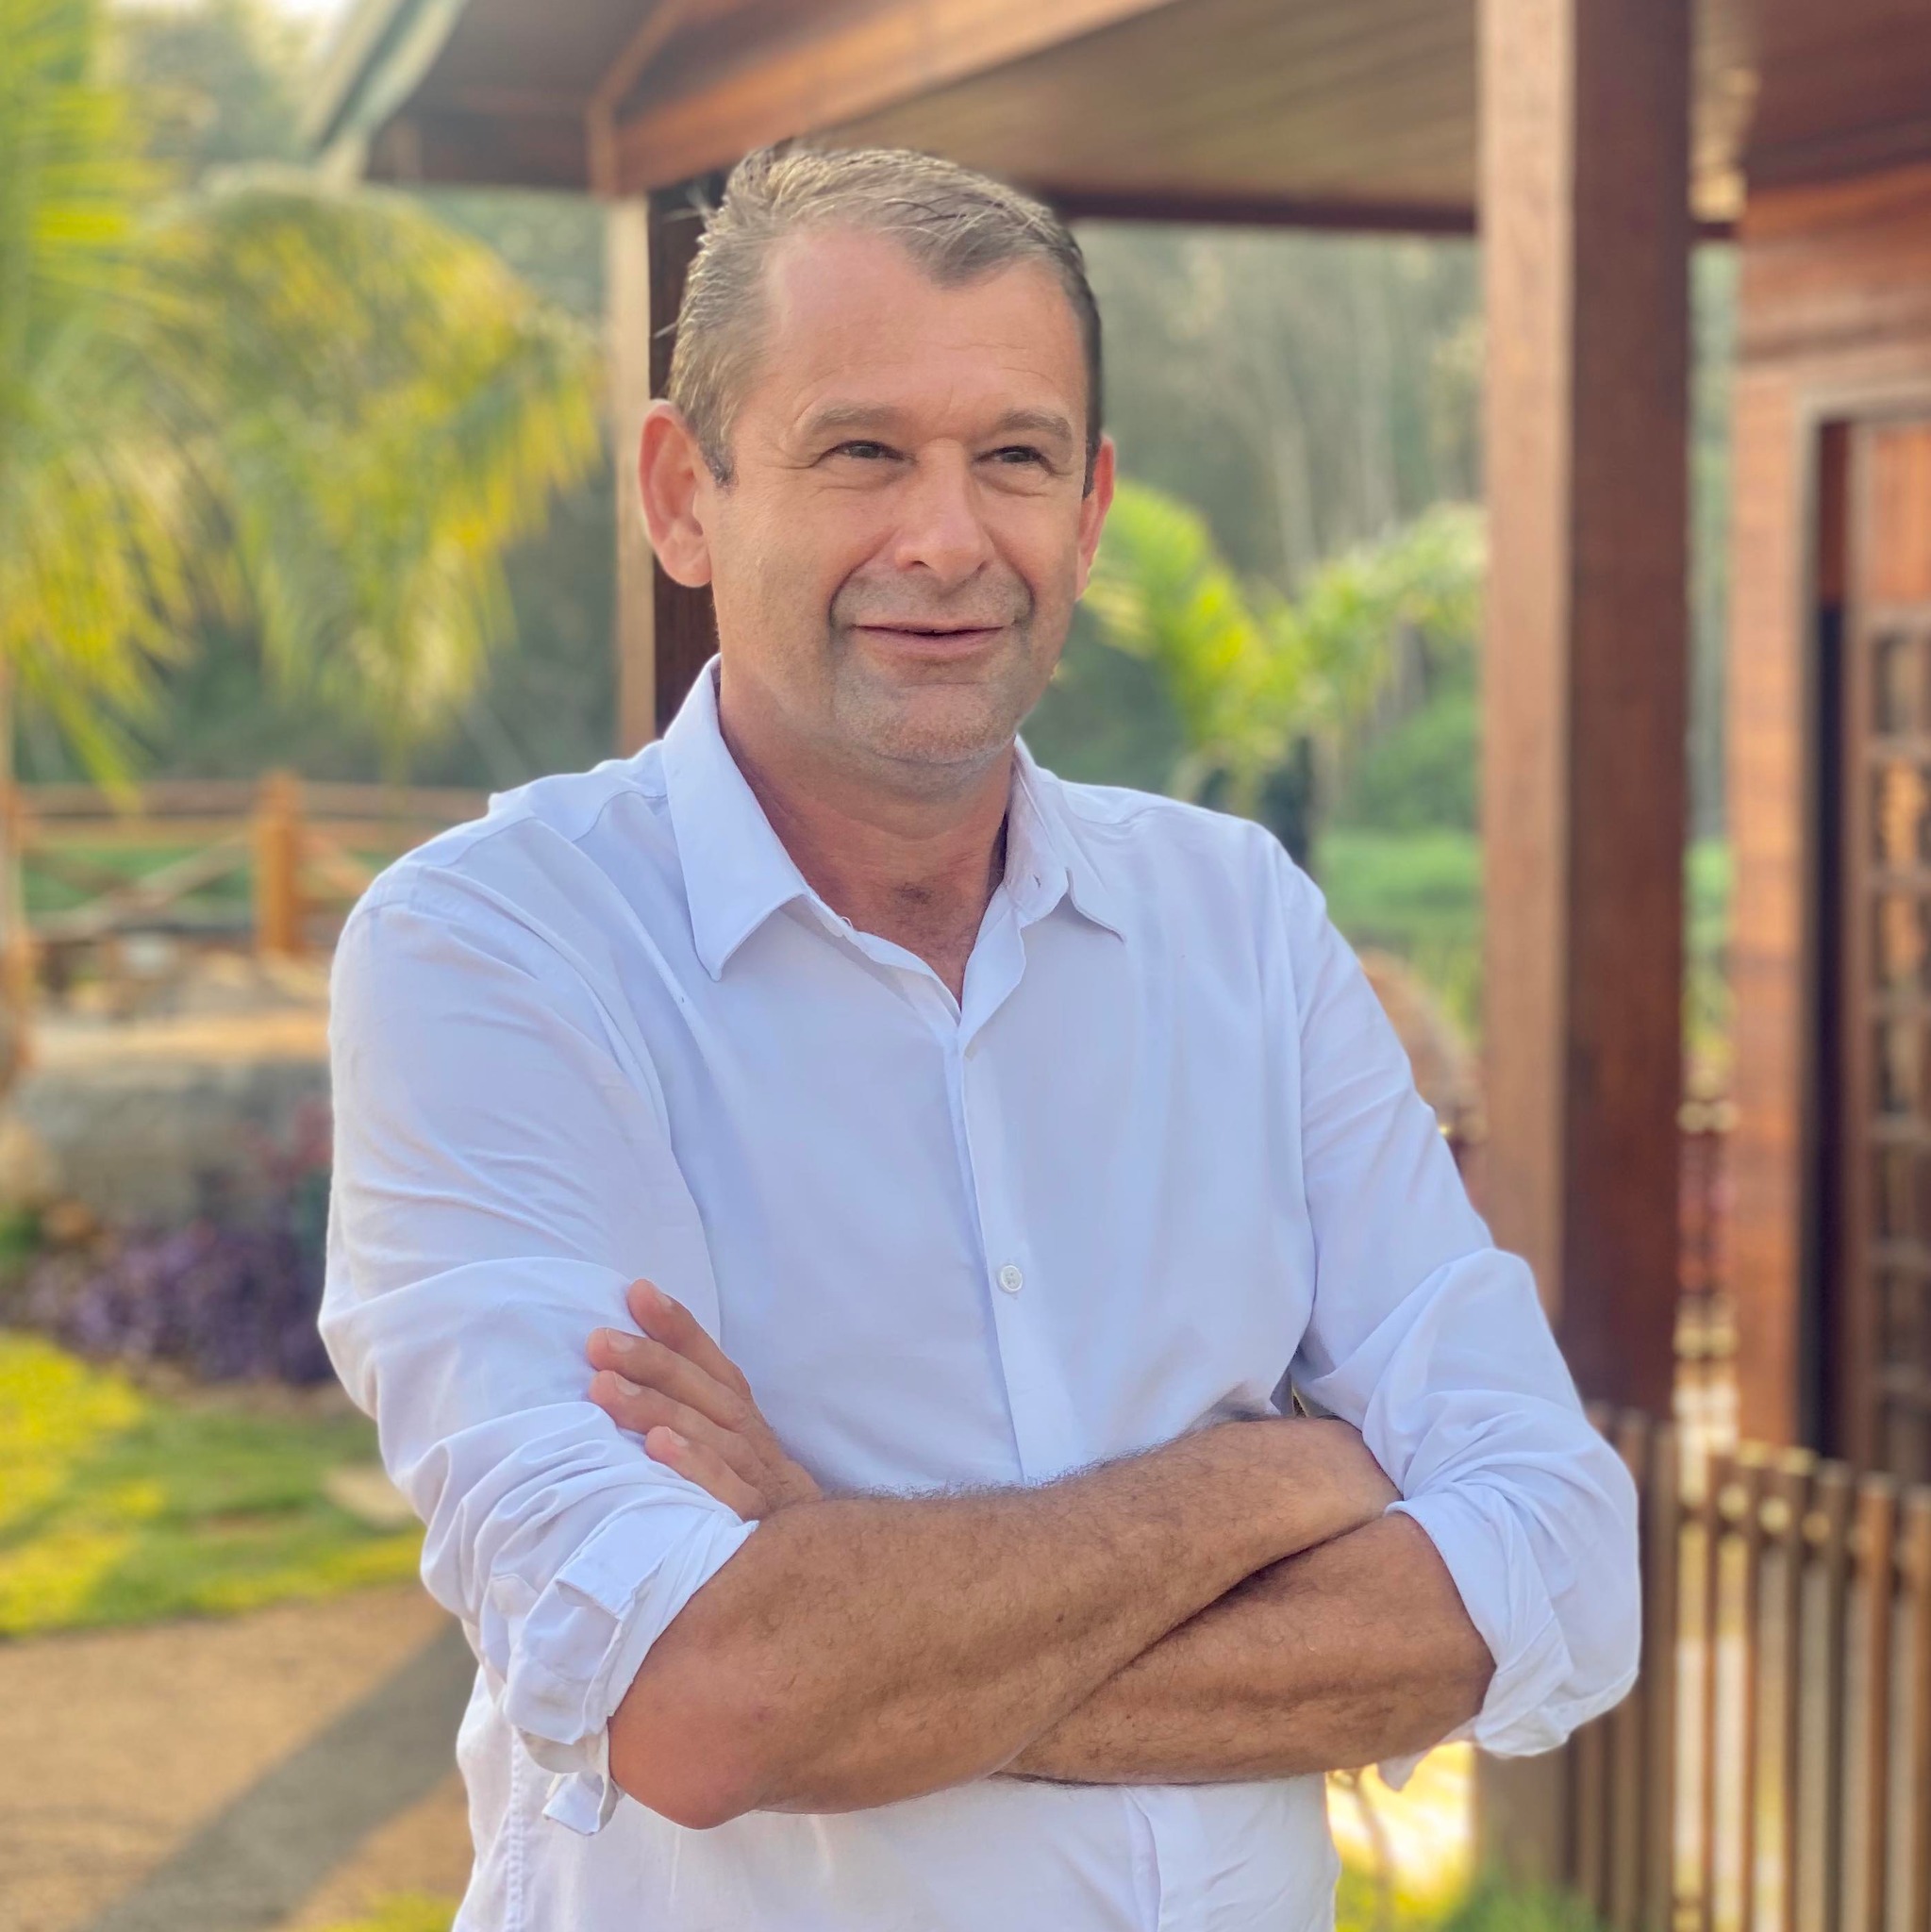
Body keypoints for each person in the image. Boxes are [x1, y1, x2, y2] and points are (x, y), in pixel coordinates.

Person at [322, 144, 1640, 1932]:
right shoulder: (500, 951)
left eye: (1013, 457)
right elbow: (697, 1697)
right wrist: (1282, 1475)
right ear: (685, 495)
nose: (947, 539)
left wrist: (845, 1595)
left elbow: (1565, 1571)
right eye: (862, 451)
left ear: (1088, 512)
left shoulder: (1240, 926)